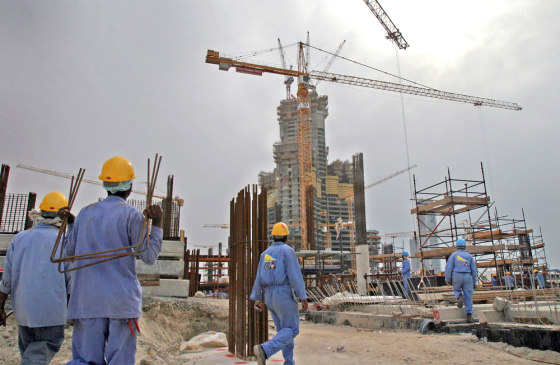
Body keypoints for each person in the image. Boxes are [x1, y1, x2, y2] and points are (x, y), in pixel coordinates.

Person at [65, 156, 163, 365]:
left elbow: (69, 251)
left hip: (87, 301)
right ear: (130, 186)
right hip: (120, 302)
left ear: (105, 185)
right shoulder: (131, 216)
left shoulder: (84, 213)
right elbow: (149, 256)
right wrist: (157, 224)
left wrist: (73, 225)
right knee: (120, 360)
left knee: (85, 361)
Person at [0, 191, 73, 364]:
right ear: (64, 215)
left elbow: (6, 281)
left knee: (29, 352)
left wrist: (1, 307)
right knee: (40, 353)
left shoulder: (20, 239)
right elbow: (72, 282)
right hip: (50, 312)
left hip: (23, 311)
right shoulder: (64, 241)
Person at [250, 222, 308, 365]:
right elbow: (295, 276)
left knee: (284, 331)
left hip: (269, 296)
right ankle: (265, 350)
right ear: (286, 237)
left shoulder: (265, 254)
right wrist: (303, 297)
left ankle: (288, 362)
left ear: (273, 237)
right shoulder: (287, 251)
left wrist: (257, 298)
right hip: (283, 294)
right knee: (292, 329)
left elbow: (258, 276)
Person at [444, 239, 477, 323]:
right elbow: (474, 270)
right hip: (467, 276)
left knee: (456, 289)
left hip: (457, 275)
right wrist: (474, 282)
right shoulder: (469, 256)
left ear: (457, 246)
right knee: (469, 295)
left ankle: (459, 296)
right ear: (465, 246)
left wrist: (447, 279)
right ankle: (469, 315)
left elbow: (448, 268)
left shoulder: (453, 255)